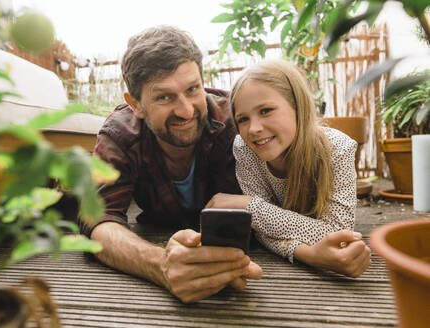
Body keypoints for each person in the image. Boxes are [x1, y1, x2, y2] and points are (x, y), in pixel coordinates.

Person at [79, 26, 262, 304]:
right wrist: (160, 264)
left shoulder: (235, 121)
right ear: (136, 105)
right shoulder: (119, 136)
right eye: (164, 97)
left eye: (192, 89)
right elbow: (98, 219)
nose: (186, 110)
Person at [205, 60, 372, 278]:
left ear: (297, 107)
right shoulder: (245, 149)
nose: (253, 129)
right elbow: (260, 231)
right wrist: (308, 254)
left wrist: (250, 207)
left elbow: (339, 235)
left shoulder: (338, 148)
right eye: (243, 119)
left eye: (266, 111)